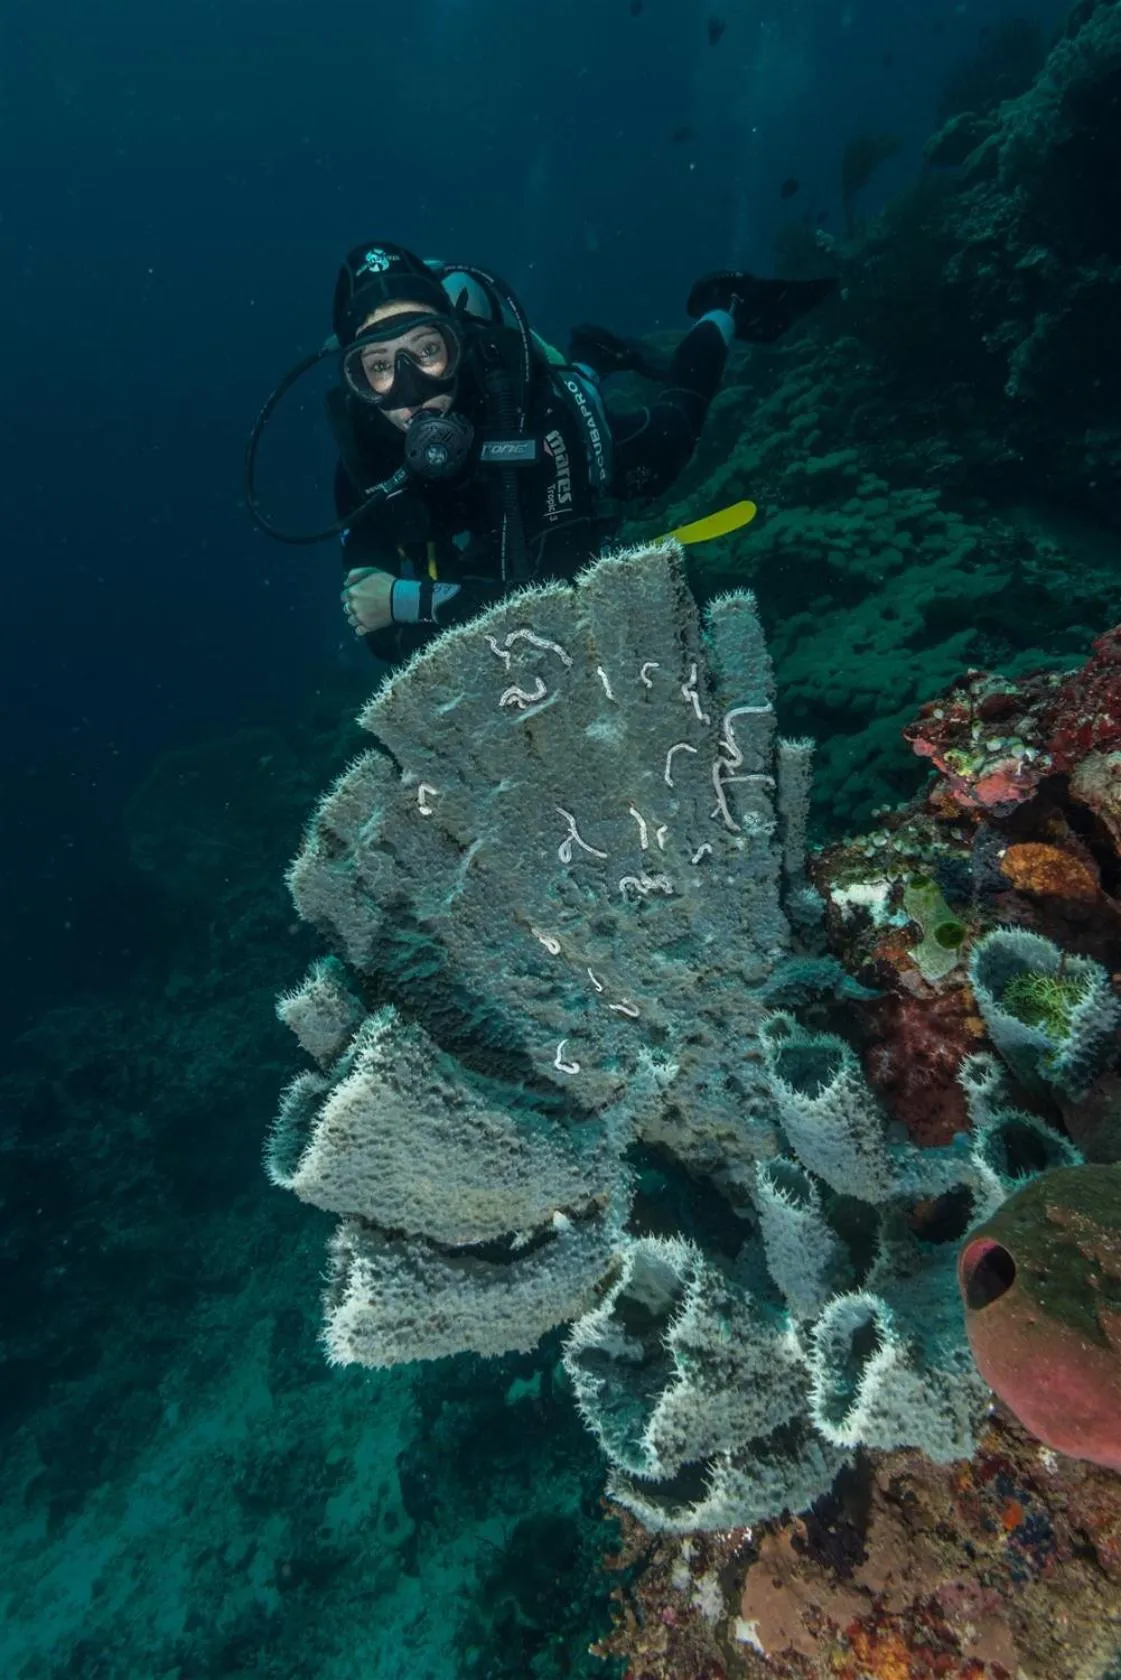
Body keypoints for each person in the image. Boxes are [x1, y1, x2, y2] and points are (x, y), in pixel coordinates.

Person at [246, 242, 836, 664]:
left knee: (673, 438)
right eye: (378, 367)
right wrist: (425, 610)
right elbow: (377, 628)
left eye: (427, 352)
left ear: (459, 345)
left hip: (563, 461)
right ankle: (595, 354)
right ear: (355, 383)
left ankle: (726, 306)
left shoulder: (527, 405)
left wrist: (408, 600)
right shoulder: (364, 459)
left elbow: (559, 593)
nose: (411, 389)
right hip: (489, 547)